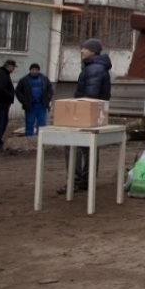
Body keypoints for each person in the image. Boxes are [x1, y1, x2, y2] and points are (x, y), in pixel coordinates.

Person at [58, 39, 111, 194]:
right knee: (88, 148)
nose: (81, 51)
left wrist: (79, 114)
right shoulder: (96, 67)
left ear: (93, 51)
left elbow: (90, 96)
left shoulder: (94, 69)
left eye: (84, 49)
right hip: (92, 115)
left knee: (73, 144)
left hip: (86, 116)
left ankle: (76, 181)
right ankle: (87, 181)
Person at [15, 64, 53, 136]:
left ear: (39, 71)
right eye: (33, 70)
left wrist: (48, 98)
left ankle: (40, 139)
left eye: (36, 70)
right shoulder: (24, 80)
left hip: (41, 105)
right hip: (30, 105)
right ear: (30, 70)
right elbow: (18, 91)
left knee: (41, 123)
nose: (34, 71)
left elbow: (50, 89)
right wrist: (23, 100)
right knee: (29, 122)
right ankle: (29, 140)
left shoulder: (44, 79)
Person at [0, 59, 16, 150]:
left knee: (3, 120)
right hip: (3, 102)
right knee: (2, 121)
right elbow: (1, 88)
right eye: (13, 67)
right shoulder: (3, 74)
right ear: (9, 66)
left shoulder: (3, 73)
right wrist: (10, 95)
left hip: (2, 101)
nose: (13, 70)